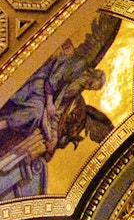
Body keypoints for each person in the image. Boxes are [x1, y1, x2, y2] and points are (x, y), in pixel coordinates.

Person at [0, 13, 120, 200]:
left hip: (47, 99)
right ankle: (3, 124)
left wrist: (52, 135)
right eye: (91, 83)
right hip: (42, 82)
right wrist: (48, 103)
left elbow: (56, 112)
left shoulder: (76, 94)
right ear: (92, 74)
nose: (88, 87)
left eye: (91, 87)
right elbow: (53, 79)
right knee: (35, 111)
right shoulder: (78, 64)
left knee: (39, 117)